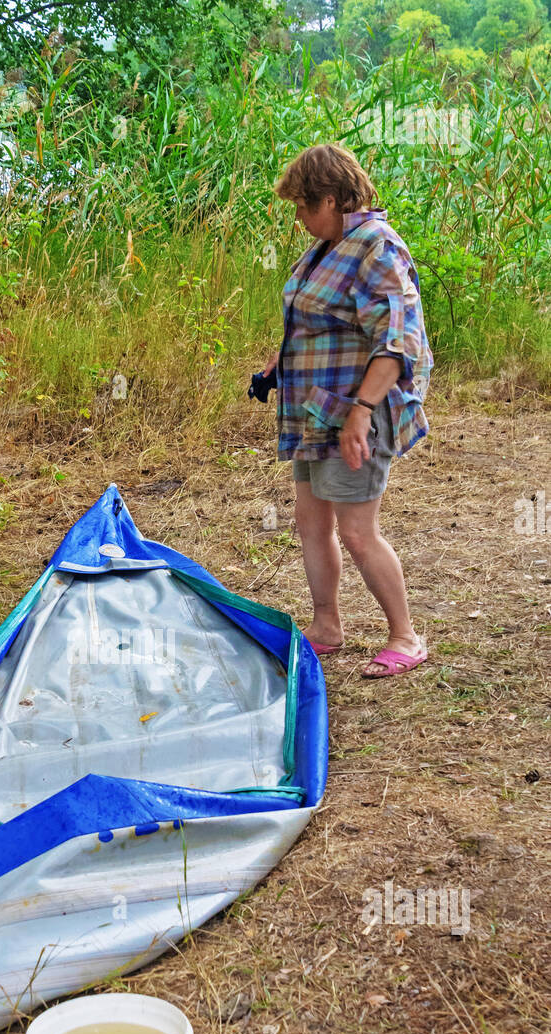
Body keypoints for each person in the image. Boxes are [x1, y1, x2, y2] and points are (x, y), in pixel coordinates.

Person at [263, 143, 432, 678]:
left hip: (353, 414)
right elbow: (317, 321)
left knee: (358, 531)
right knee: (311, 522)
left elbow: (396, 342)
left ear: (331, 199)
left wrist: (361, 412)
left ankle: (405, 637)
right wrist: (280, 361)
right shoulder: (329, 244)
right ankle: (327, 626)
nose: (298, 218)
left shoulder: (376, 249)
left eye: (302, 207)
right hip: (314, 409)